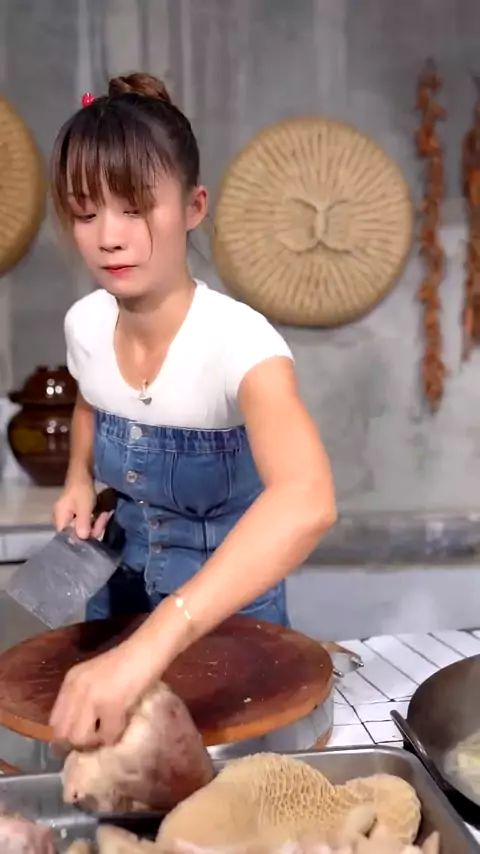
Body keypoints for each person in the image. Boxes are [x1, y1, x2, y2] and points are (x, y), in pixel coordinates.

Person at [48, 72, 337, 748]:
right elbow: (91, 400)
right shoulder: (85, 324)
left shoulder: (241, 344)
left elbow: (308, 498)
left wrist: (151, 645)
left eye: (135, 208)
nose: (109, 237)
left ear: (193, 206)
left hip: (223, 619)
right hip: (115, 592)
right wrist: (77, 478)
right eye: (86, 214)